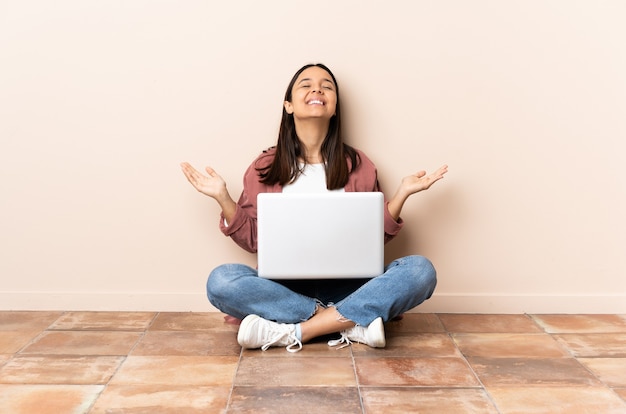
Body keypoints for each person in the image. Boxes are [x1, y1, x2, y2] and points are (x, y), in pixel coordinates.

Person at [181, 63, 448, 353]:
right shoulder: (264, 167)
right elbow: (254, 241)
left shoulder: (358, 164)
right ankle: (351, 322)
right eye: (305, 84)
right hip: (283, 289)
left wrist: (402, 194)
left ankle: (296, 331)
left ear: (334, 108)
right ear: (289, 105)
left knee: (420, 271)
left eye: (327, 86)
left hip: (352, 285)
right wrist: (223, 198)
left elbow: (372, 240)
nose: (317, 89)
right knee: (221, 280)